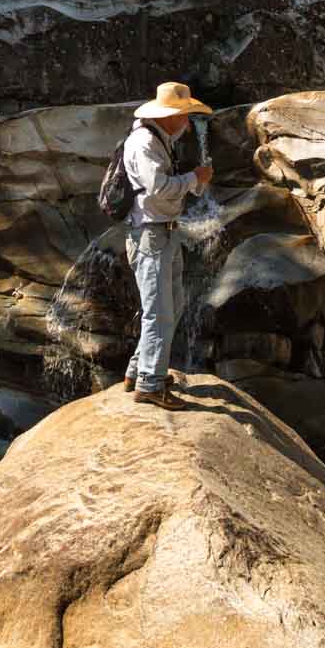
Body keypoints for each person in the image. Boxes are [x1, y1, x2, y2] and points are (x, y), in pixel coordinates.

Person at [123, 81, 214, 410]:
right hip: (150, 234)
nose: (188, 123)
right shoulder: (144, 142)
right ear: (169, 115)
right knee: (159, 311)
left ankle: (139, 370)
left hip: (164, 232)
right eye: (185, 115)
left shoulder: (160, 140)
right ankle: (149, 384)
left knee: (170, 306)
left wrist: (196, 179)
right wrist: (194, 179)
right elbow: (159, 188)